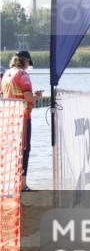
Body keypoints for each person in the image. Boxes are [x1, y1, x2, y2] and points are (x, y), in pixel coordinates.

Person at [1, 51, 41, 191]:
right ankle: (22, 185)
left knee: (11, 150)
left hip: (8, 117)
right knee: (24, 149)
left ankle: (9, 182)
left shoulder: (6, 74)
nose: (28, 67)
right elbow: (28, 97)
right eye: (28, 64)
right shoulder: (23, 75)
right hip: (22, 117)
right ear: (25, 62)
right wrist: (37, 96)